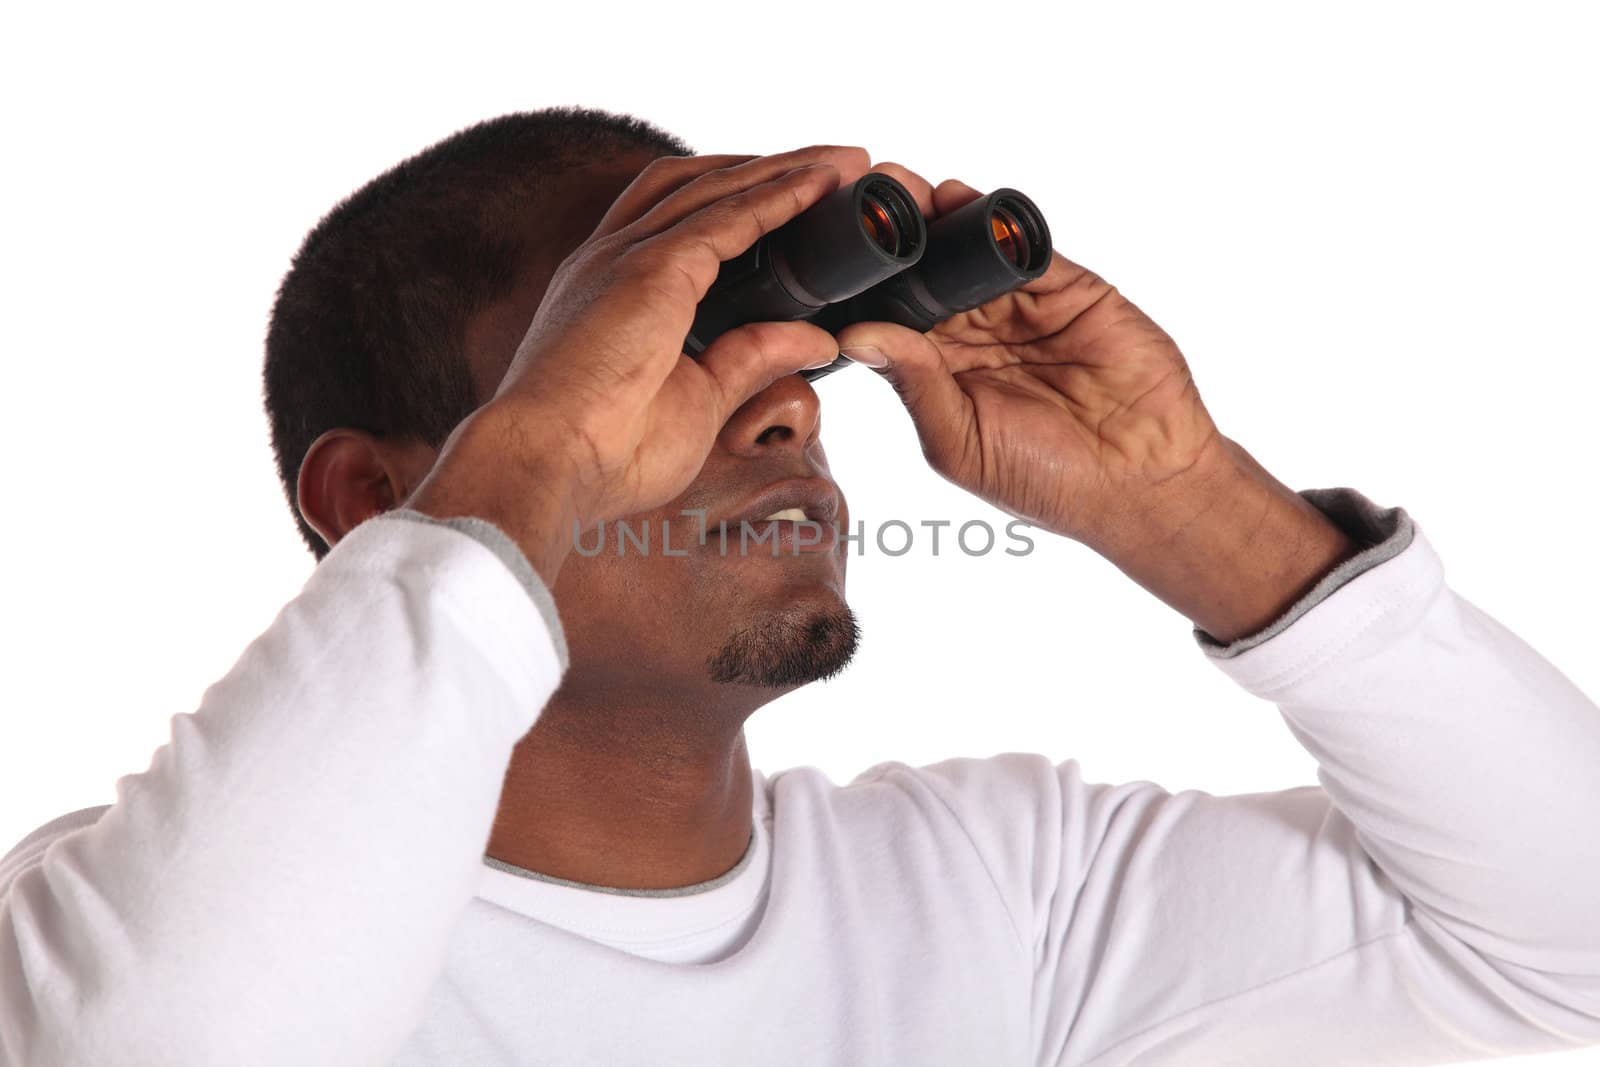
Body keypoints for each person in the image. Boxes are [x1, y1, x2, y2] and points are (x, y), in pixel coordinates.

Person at [2, 107, 1597, 1067]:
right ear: (371, 500)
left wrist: (1187, 500)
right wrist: (531, 468)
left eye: (787, 339)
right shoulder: (125, 924)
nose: (777, 403)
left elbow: (1566, 950)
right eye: (659, 343)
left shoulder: (1002, 892)